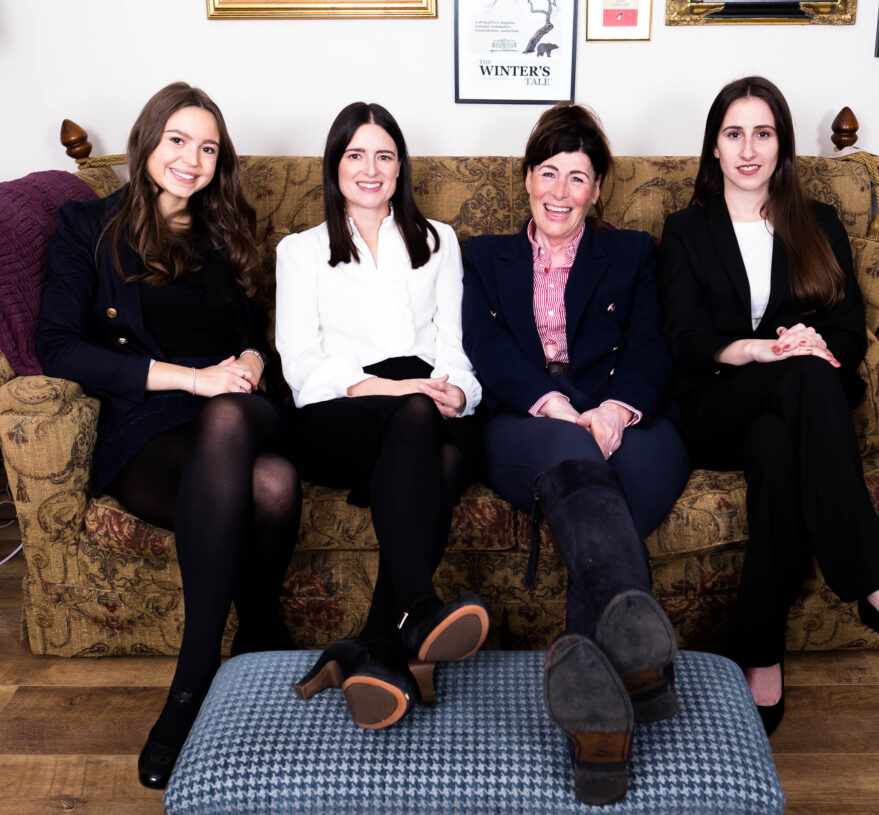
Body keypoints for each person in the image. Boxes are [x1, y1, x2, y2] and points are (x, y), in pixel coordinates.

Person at [656, 75, 879, 737]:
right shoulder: (687, 231)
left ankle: (759, 646)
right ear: (714, 148)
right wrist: (758, 350)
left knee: (782, 441)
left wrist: (809, 340)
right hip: (715, 404)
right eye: (734, 133)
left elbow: (848, 331)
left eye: (763, 132)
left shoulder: (820, 224)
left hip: (792, 414)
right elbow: (683, 340)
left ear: (782, 146)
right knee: (801, 374)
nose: (748, 148)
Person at [35, 83, 302, 789]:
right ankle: (261, 629)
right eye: (178, 140)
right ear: (147, 139)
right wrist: (190, 379)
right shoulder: (85, 225)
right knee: (273, 483)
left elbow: (256, 339)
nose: (192, 158)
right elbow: (58, 347)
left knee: (236, 424)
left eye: (208, 147)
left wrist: (247, 362)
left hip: (244, 408)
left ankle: (190, 686)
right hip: (150, 424)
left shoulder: (227, 226)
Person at [461, 102, 690, 807]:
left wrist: (616, 410)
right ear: (527, 179)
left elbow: (652, 345)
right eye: (549, 174)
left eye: (579, 178)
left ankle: (600, 727)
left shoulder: (631, 253)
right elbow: (485, 348)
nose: (561, 192)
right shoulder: (480, 256)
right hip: (528, 424)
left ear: (598, 189)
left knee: (623, 481)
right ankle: (637, 671)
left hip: (627, 419)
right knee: (570, 451)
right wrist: (556, 404)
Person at [275, 101, 488, 731]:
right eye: (356, 155)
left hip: (423, 401)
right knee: (419, 423)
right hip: (337, 412)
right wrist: (389, 391)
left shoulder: (437, 240)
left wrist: (460, 392)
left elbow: (452, 344)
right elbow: (301, 364)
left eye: (385, 156)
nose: (371, 169)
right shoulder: (301, 251)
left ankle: (374, 645)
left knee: (447, 446)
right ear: (335, 165)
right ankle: (418, 608)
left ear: (401, 168)